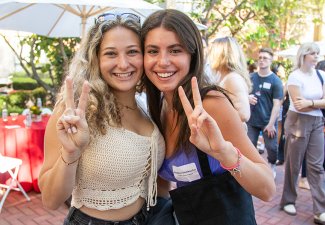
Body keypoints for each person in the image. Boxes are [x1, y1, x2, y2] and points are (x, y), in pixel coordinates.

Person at [142, 9, 276, 225]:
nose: (163, 61)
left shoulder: (210, 104)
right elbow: (163, 186)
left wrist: (225, 154)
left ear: (192, 55)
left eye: (175, 50)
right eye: (153, 51)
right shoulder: (159, 106)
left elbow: (267, 188)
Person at [38, 13, 165, 225]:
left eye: (132, 52)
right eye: (111, 54)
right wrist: (70, 153)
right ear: (96, 58)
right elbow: (50, 200)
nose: (123, 64)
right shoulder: (75, 112)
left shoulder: (146, 105)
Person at [280, 42, 325, 224]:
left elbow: (311, 104)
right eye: (312, 53)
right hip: (297, 120)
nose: (316, 57)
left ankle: (320, 210)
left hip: (316, 122)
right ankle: (288, 200)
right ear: (304, 55)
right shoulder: (294, 76)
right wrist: (317, 102)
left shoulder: (322, 75)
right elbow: (299, 105)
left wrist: (311, 103)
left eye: (317, 54)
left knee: (317, 166)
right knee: (293, 164)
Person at [247, 48, 284, 178]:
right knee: (249, 146)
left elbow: (277, 104)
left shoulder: (276, 81)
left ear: (271, 61)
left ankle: (271, 165)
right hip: (251, 120)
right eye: (260, 58)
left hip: (268, 121)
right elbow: (240, 94)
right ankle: (253, 170)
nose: (262, 60)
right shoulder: (250, 78)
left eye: (265, 58)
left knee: (272, 148)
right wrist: (247, 97)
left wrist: (271, 124)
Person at [208, 36, 252, 122]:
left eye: (212, 51)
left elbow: (243, 115)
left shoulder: (232, 79)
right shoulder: (226, 77)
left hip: (230, 134)